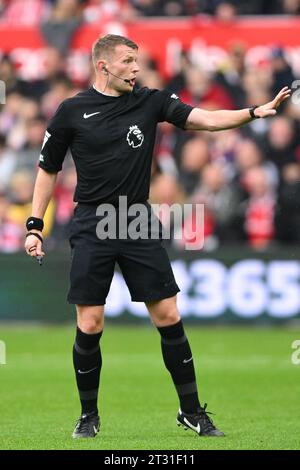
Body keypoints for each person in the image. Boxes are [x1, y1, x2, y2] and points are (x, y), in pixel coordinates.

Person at [24, 34, 290, 439]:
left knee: (168, 315)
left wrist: (255, 111)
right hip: (93, 222)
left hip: (135, 220)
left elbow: (206, 118)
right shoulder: (71, 111)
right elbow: (48, 169)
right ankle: (88, 416)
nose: (136, 67)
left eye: (138, 61)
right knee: (91, 322)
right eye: (128, 61)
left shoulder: (149, 101)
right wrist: (34, 225)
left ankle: (191, 411)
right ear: (103, 66)